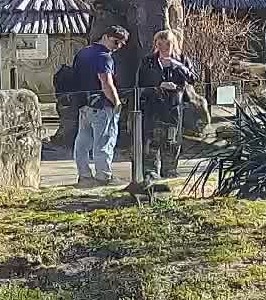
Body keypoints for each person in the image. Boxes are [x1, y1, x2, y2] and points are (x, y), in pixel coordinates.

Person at [69, 25, 127, 187]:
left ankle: (84, 175)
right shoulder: (104, 57)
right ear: (106, 37)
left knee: (82, 141)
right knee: (104, 141)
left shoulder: (83, 52)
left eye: (122, 44)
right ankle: (104, 176)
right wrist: (116, 102)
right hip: (101, 105)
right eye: (116, 42)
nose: (118, 47)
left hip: (84, 104)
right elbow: (106, 83)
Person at [138, 28, 197, 180]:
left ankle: (170, 171)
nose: (164, 47)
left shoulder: (182, 59)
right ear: (156, 44)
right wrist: (158, 86)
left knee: (172, 141)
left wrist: (176, 65)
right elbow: (140, 84)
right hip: (153, 107)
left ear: (173, 44)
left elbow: (193, 79)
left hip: (173, 107)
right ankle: (151, 173)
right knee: (152, 142)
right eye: (160, 43)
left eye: (167, 44)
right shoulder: (148, 61)